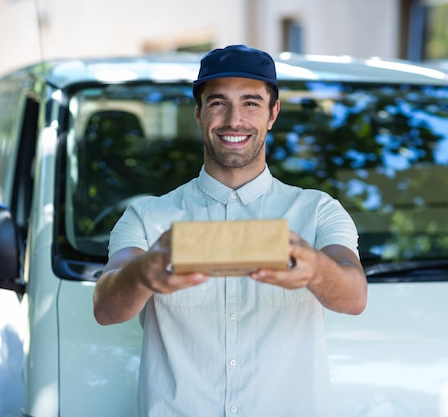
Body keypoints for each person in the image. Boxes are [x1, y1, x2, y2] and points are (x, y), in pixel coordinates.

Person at [93, 44, 368, 417]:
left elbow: (354, 297)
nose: (234, 120)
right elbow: (106, 308)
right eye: (218, 103)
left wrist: (317, 270)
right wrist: (143, 274)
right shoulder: (147, 216)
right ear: (199, 113)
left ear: (273, 113)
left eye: (251, 103)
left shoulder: (318, 211)